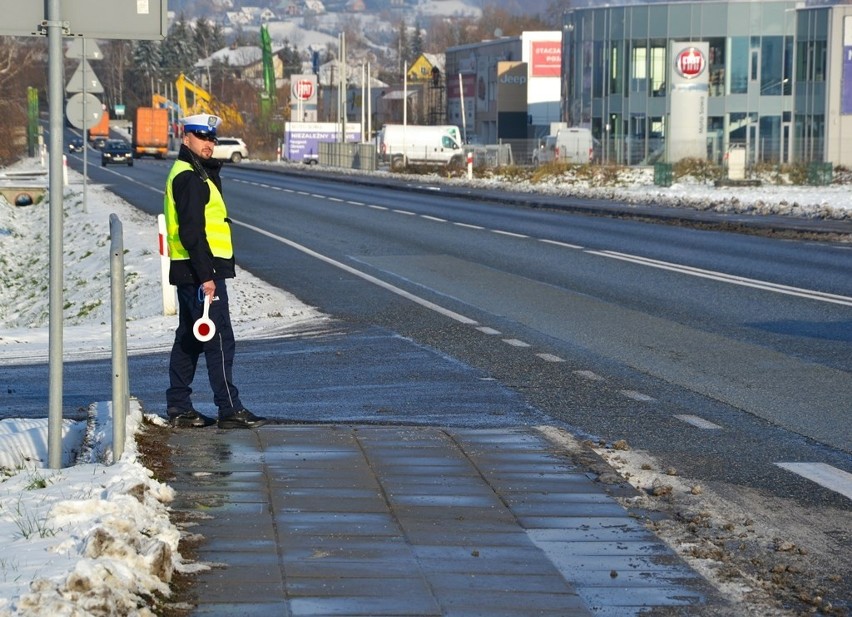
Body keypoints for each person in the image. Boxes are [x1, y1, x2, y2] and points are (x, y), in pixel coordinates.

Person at [163, 113, 267, 430]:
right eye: (203, 137)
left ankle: (179, 407)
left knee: (190, 339)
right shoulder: (189, 178)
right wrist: (207, 276)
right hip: (199, 273)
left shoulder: (194, 173)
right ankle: (229, 408)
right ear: (186, 137)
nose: (209, 144)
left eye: (212, 139)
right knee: (219, 338)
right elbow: (192, 232)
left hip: (191, 270)